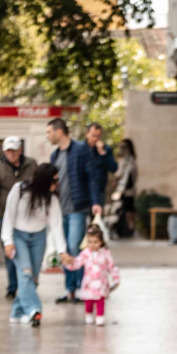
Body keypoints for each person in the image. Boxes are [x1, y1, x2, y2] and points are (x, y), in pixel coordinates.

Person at [2, 163, 71, 327]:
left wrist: (62, 251)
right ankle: (34, 310)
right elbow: (9, 216)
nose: (57, 183)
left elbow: (56, 225)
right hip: (18, 236)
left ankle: (17, 312)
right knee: (25, 273)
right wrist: (8, 241)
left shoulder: (52, 198)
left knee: (33, 278)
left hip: (39, 238)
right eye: (54, 180)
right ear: (44, 180)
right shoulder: (19, 190)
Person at [47, 118, 106, 304]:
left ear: (59, 132)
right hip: (59, 210)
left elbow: (92, 178)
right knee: (64, 250)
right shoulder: (54, 156)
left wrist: (96, 201)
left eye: (49, 132)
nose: (47, 136)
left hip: (77, 208)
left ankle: (83, 288)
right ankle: (70, 290)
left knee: (75, 248)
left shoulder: (80, 150)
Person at [0, 136, 37, 299]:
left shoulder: (32, 165)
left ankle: (28, 285)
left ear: (20, 150)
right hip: (5, 216)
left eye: (14, 150)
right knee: (10, 252)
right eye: (8, 150)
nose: (11, 153)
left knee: (29, 253)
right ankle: (12, 287)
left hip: (28, 216)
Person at [65, 223, 121, 326]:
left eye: (95, 242)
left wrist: (115, 279)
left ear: (101, 242)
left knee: (100, 301)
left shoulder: (105, 254)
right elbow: (78, 263)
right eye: (90, 242)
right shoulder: (85, 253)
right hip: (89, 283)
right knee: (89, 301)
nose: (93, 244)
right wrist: (69, 262)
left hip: (101, 282)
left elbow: (111, 267)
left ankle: (100, 317)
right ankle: (89, 314)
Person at [109, 138, 138, 238]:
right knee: (122, 210)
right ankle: (123, 229)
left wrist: (117, 179)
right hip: (122, 190)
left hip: (126, 190)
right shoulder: (126, 159)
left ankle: (128, 229)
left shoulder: (129, 160)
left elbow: (129, 175)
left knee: (127, 210)